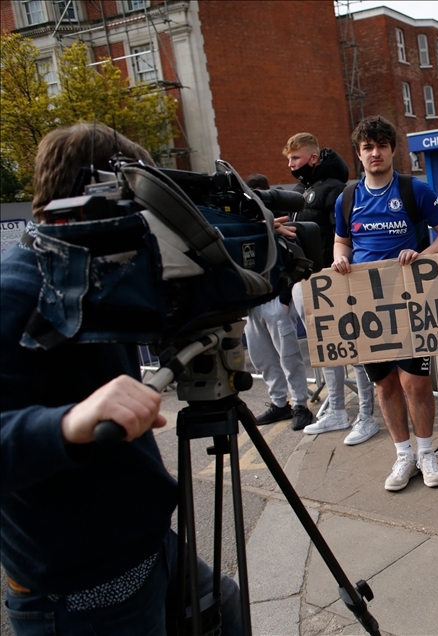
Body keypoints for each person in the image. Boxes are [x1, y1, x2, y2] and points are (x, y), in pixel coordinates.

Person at [0, 123, 242, 633]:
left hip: (145, 545)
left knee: (225, 604)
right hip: (79, 590)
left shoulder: (94, 272)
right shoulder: (14, 293)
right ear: (95, 199)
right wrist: (71, 422)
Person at [331, 116, 438, 491]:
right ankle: (403, 456)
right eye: (367, 147)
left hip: (410, 300)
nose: (375, 153)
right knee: (385, 385)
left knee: (415, 383)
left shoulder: (412, 190)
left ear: (392, 150)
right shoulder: (348, 197)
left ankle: (426, 454)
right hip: (367, 305)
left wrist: (423, 255)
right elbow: (342, 242)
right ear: (359, 154)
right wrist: (340, 258)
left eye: (381, 146)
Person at [283, 133, 378, 445]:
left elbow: (344, 237)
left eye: (295, 158)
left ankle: (367, 414)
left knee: (356, 350)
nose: (290, 165)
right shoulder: (301, 192)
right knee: (328, 352)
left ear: (312, 157)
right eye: (288, 159)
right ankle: (336, 409)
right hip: (306, 282)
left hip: (333, 280)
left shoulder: (336, 190)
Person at [243, 172, 314, 432]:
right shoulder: (244, 223)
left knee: (289, 356)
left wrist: (285, 298)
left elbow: (294, 261)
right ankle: (279, 403)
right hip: (253, 303)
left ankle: (300, 405)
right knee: (262, 358)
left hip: (275, 299)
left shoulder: (279, 220)